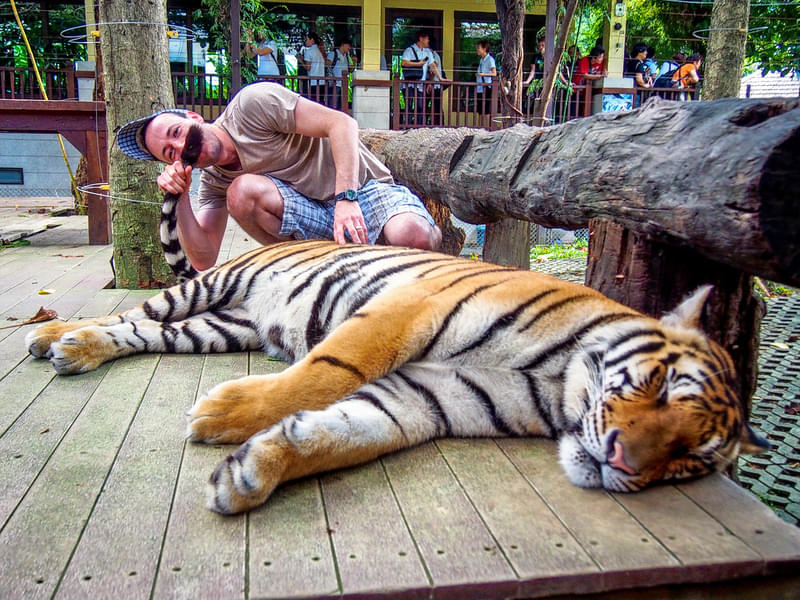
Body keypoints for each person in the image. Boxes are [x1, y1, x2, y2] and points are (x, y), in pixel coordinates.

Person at [115, 82, 441, 270]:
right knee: (240, 192)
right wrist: (180, 197)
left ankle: (418, 245)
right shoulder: (214, 181)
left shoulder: (250, 106)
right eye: (169, 152)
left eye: (176, 132)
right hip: (316, 220)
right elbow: (204, 259)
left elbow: (342, 124)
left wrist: (347, 198)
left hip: (364, 191)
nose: (180, 145)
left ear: (192, 116)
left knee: (413, 235)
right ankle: (316, 271)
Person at [401, 31, 435, 125]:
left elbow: (433, 66)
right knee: (408, 104)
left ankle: (418, 126)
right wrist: (418, 64)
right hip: (408, 82)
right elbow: (403, 63)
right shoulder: (409, 50)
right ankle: (407, 125)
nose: (428, 41)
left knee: (420, 105)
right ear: (421, 38)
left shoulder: (428, 52)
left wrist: (440, 78)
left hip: (420, 83)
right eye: (427, 38)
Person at [326, 38, 356, 110]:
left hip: (344, 85)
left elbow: (351, 70)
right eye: (348, 45)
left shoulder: (347, 57)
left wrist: (354, 62)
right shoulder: (333, 54)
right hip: (334, 84)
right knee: (333, 105)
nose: (349, 48)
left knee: (342, 105)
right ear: (343, 45)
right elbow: (327, 65)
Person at [299, 32, 326, 103]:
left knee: (313, 102)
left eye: (307, 40)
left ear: (312, 40)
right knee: (320, 102)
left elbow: (308, 68)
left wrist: (300, 60)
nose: (306, 42)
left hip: (313, 82)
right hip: (322, 81)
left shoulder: (309, 52)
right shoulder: (320, 51)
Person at [475, 39, 497, 124]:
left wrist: (483, 75)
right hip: (480, 86)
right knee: (480, 108)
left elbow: (494, 73)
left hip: (487, 86)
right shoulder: (481, 60)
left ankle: (486, 127)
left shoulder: (490, 59)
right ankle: (480, 126)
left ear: (484, 49)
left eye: (479, 48)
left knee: (486, 108)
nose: (477, 50)